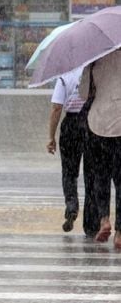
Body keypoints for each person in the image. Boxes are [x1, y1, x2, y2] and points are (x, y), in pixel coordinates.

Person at [47, 66, 98, 236]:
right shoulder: (95, 70)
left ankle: (71, 206)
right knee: (92, 175)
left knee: (69, 172)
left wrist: (51, 137)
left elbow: (56, 108)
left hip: (70, 126)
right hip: (92, 124)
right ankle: (91, 224)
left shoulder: (64, 75)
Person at [79, 50, 121, 248]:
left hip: (99, 123)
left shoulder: (93, 60)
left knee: (101, 175)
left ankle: (104, 219)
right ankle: (120, 232)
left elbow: (83, 94)